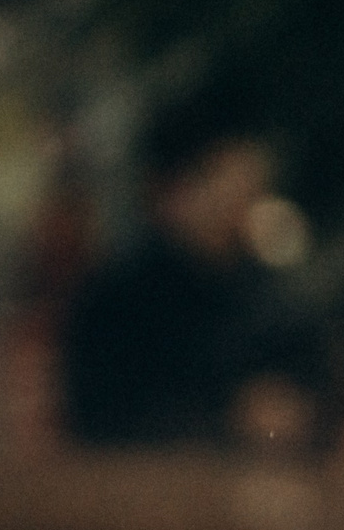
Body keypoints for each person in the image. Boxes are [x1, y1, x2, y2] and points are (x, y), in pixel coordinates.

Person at [60, 133, 324, 450]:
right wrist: (228, 420)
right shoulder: (119, 294)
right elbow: (101, 418)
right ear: (174, 189)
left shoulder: (266, 293)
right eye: (219, 178)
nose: (235, 199)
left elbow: (304, 388)